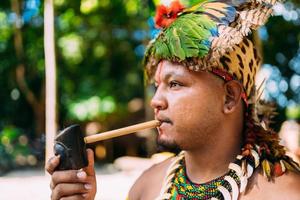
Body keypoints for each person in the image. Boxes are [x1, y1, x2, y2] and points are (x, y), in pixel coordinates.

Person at [46, 0, 300, 199]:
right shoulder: (145, 187)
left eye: (175, 84)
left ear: (229, 97)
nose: (156, 101)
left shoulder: (286, 192)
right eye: (157, 86)